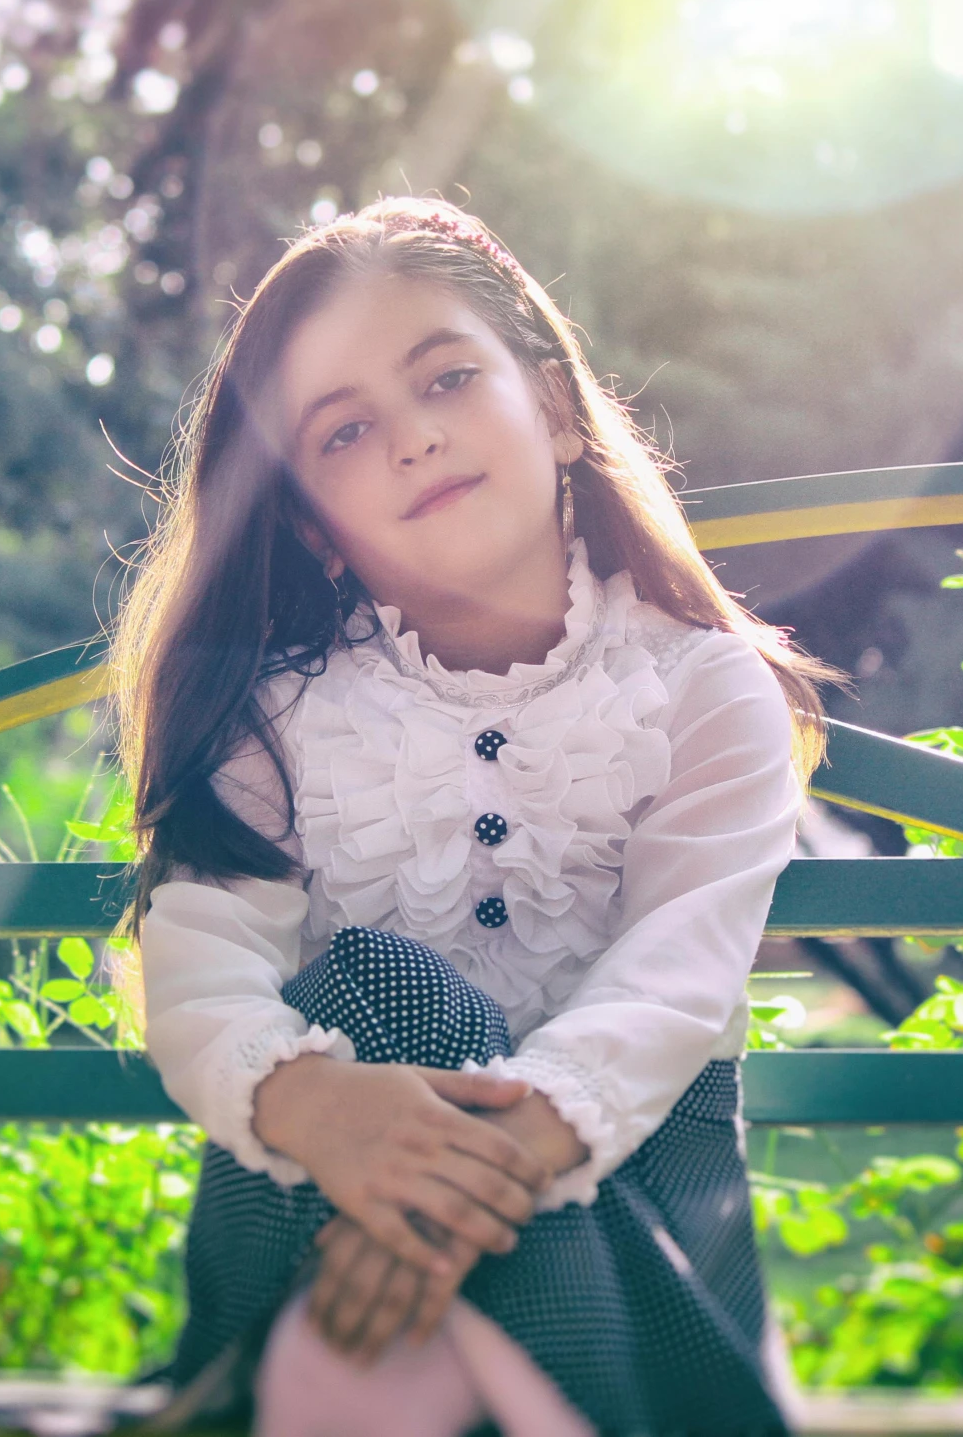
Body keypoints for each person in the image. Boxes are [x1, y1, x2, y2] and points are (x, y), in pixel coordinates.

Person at [112, 197, 832, 1435]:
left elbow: (670, 985)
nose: (412, 440)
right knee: (384, 994)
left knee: (410, 1012)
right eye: (342, 433)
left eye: (446, 377)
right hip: (314, 1195)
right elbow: (198, 971)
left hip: (643, 1208)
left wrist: (463, 1182)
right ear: (305, 523)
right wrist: (324, 1113)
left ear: (555, 410)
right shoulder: (275, 716)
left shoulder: (698, 686)